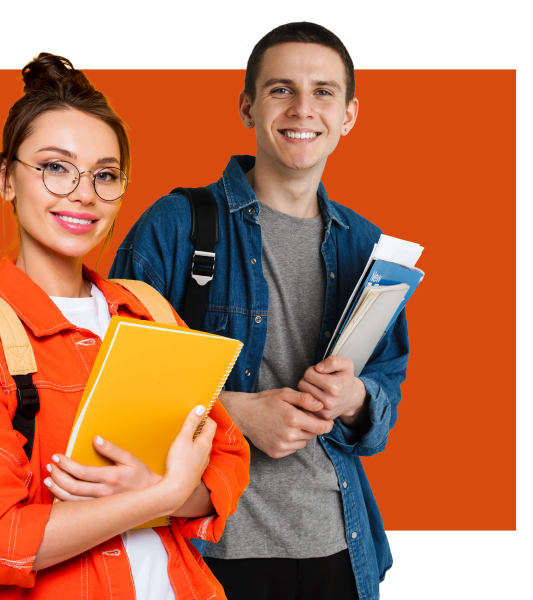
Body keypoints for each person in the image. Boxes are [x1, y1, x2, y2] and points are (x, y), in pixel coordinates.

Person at [0, 52, 249, 600]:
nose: (83, 193)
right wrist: (159, 495)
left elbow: (226, 463)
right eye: (55, 167)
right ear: (6, 179)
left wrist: (163, 487)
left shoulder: (149, 310)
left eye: (105, 175)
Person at [109, 22, 405, 599]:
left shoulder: (366, 245)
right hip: (209, 548)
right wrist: (235, 413)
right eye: (281, 89)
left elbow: (384, 394)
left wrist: (355, 399)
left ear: (348, 115)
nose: (303, 108)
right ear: (248, 106)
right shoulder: (176, 225)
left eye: (323, 92)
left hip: (339, 546)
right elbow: (105, 380)